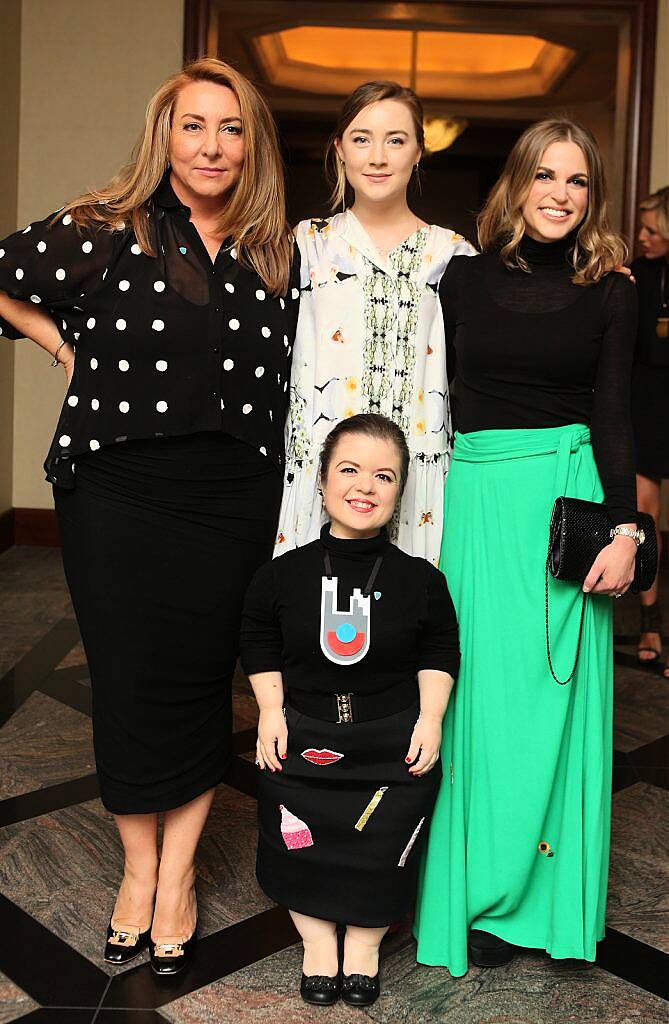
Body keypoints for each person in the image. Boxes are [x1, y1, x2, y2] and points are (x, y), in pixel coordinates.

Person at [0, 58, 298, 974]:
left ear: (253, 144)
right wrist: (60, 345)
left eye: (231, 127)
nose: (212, 146)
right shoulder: (104, 229)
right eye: (194, 125)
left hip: (234, 500)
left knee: (205, 681)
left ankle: (179, 877)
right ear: (163, 136)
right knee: (129, 683)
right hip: (116, 497)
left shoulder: (278, 249)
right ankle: (141, 872)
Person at [414, 120, 640, 977]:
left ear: (592, 198)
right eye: (544, 176)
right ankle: (476, 896)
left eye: (576, 182)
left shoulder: (611, 290)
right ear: (516, 184)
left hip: (567, 505)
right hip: (474, 508)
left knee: (554, 704)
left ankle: (542, 908)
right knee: (475, 706)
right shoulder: (459, 280)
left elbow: (613, 413)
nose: (559, 194)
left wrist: (625, 528)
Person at [240, 414, 459, 1006]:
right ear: (322, 480)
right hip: (303, 738)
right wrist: (270, 711)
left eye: (384, 476)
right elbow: (258, 642)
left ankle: (363, 944)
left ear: (400, 491)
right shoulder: (280, 576)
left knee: (385, 844)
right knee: (295, 841)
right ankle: (316, 942)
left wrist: (430, 720)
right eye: (350, 470)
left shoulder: (422, 581)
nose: (365, 486)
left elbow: (440, 650)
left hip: (390, 747)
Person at [276, 81, 475, 565]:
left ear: (419, 152)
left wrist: (592, 271)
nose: (378, 156)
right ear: (339, 148)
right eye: (362, 138)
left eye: (396, 139)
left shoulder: (452, 256)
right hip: (321, 468)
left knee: (410, 618)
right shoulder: (305, 245)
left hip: (416, 477)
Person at [631, 187, 669, 675]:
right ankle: (650, 622)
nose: (641, 237)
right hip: (644, 403)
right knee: (645, 516)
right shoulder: (637, 276)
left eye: (652, 230)